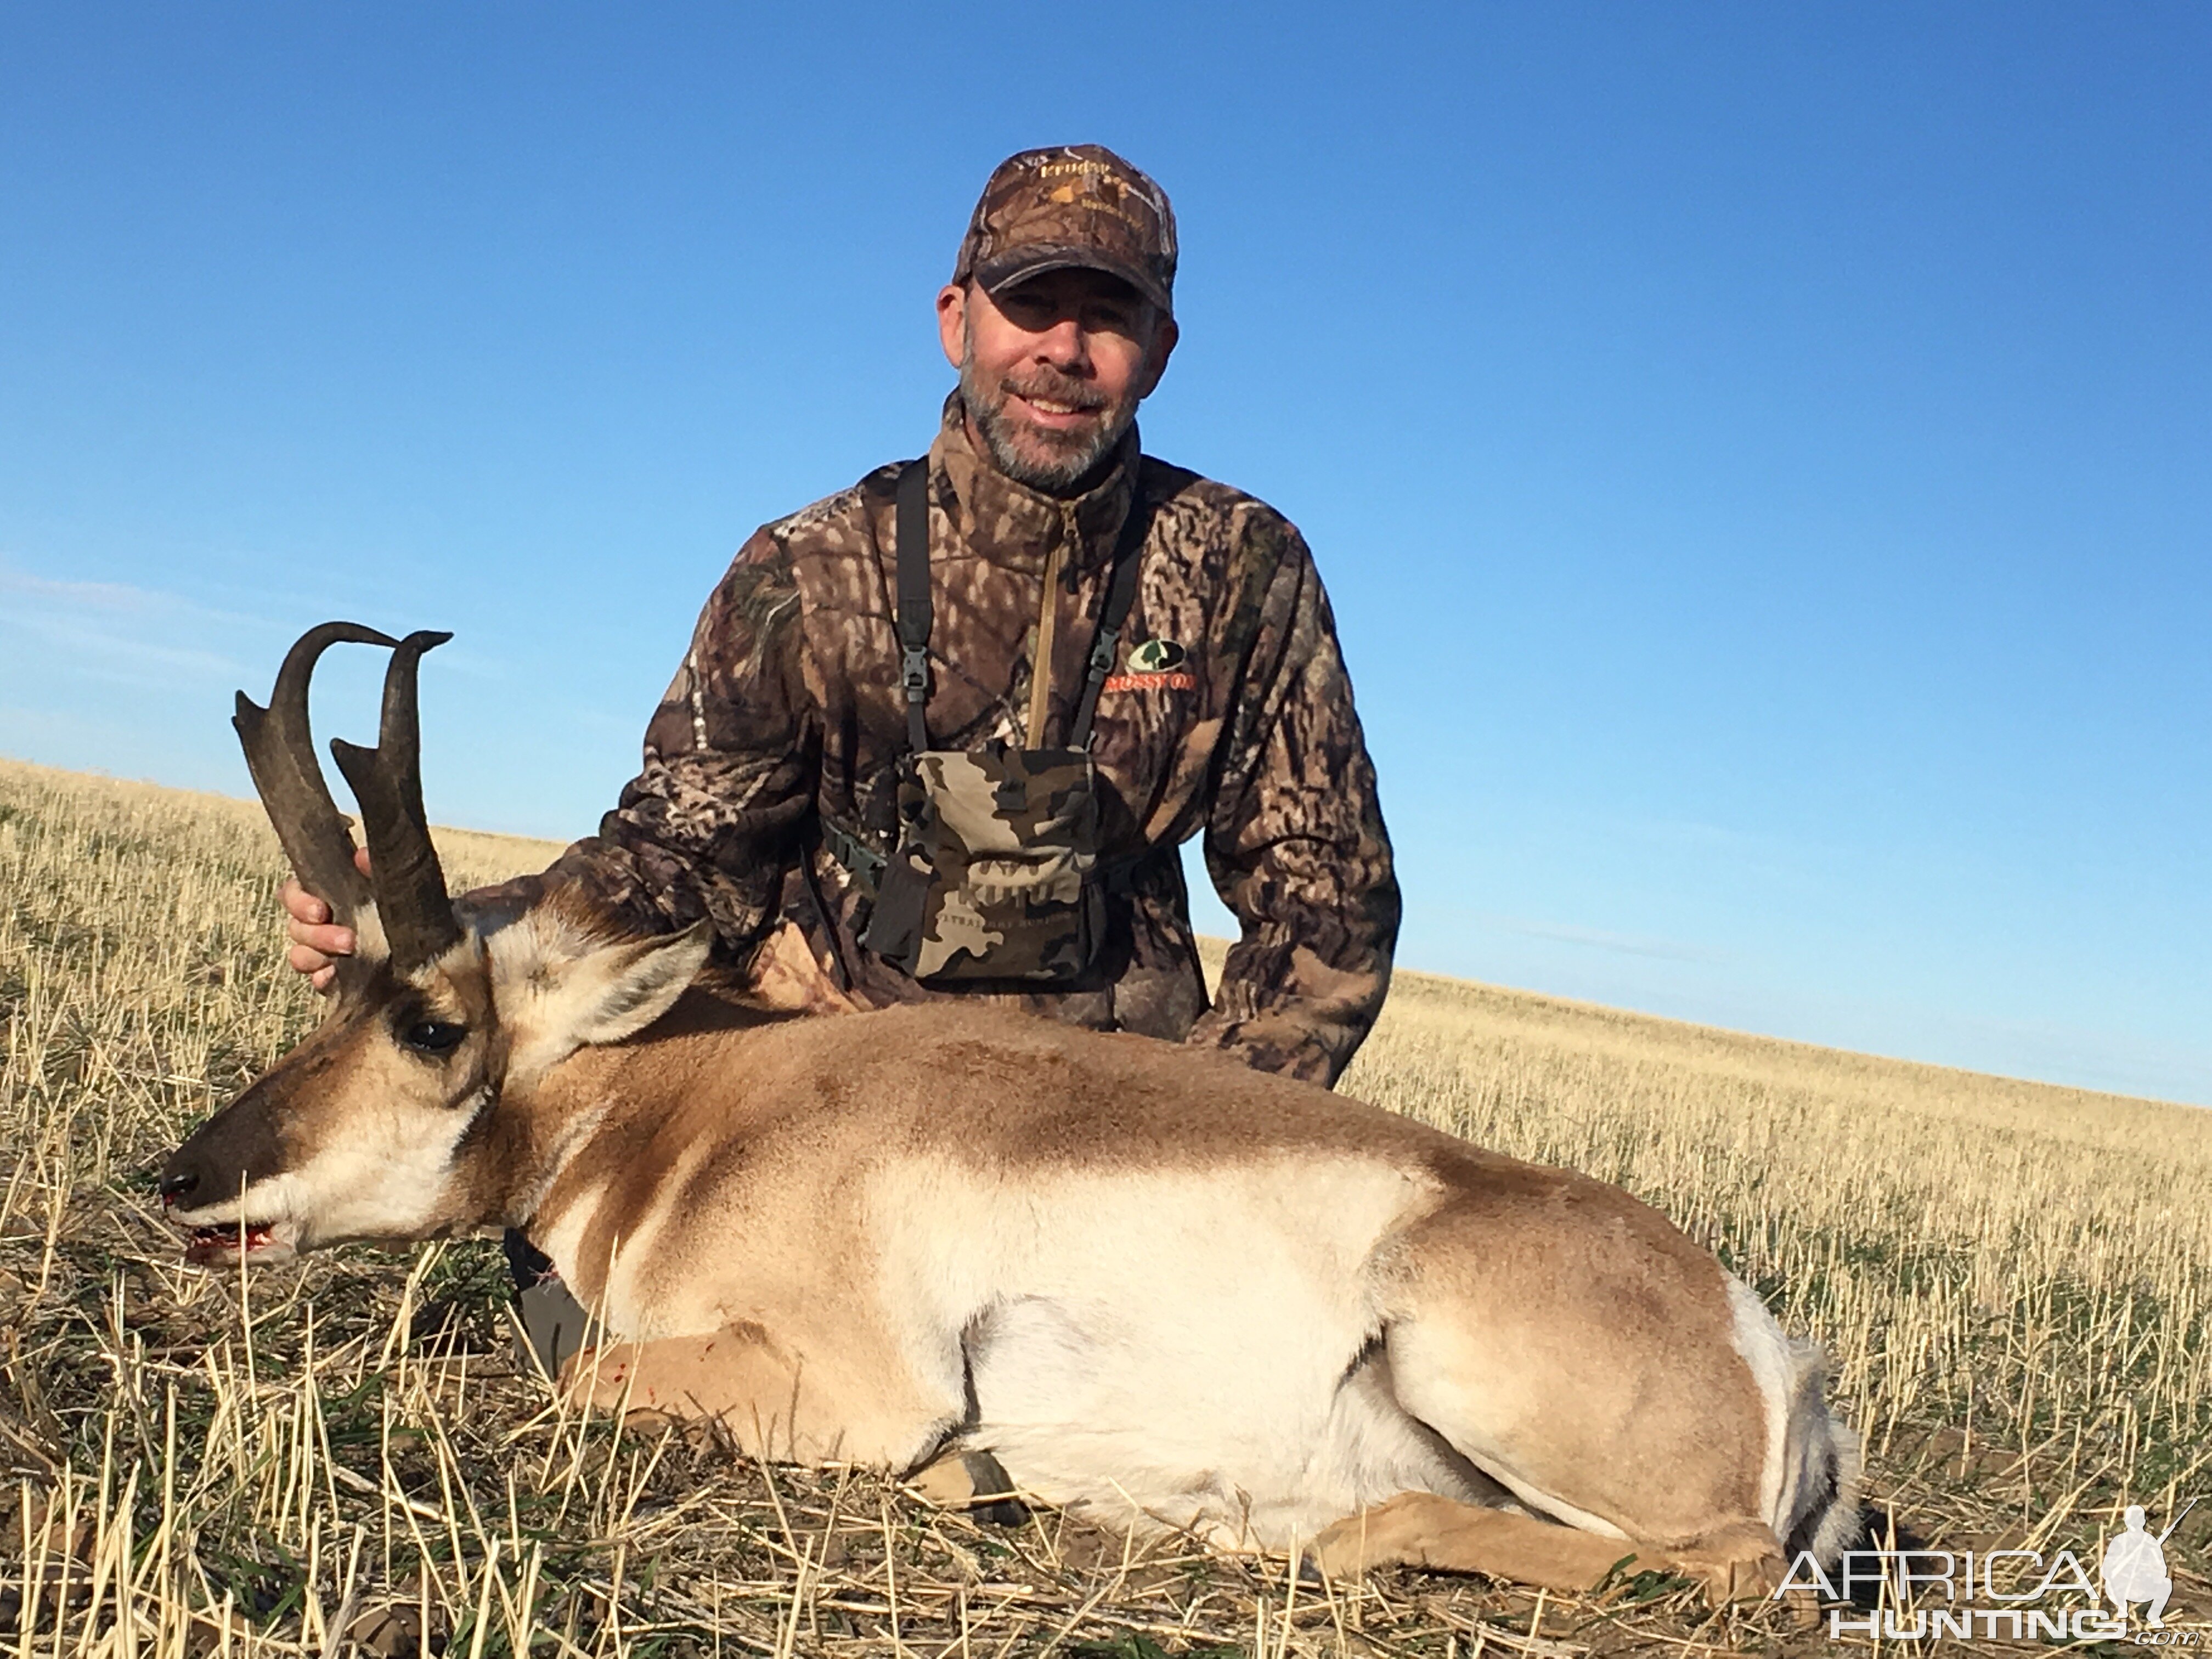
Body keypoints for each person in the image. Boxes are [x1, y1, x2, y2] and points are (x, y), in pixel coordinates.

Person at [284, 144, 1398, 1090]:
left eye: (1108, 316)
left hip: (1105, 1108)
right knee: (601, 1311)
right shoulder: (809, 567)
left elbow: (1326, 900)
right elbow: (683, 861)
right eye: (1029, 307)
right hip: (819, 1077)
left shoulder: (1242, 566)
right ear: (957, 321)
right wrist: (454, 928)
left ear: (1159, 352)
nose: (1063, 350)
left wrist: (1192, 1133)